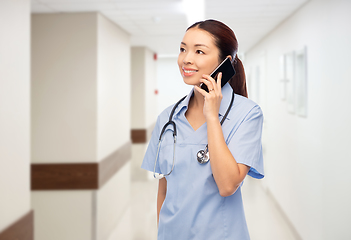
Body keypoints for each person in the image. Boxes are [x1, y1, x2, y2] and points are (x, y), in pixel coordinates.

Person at [141, 19, 264, 240]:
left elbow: (228, 185)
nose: (186, 59)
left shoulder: (247, 114)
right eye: (182, 49)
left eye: (199, 51)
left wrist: (212, 116)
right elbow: (164, 191)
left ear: (225, 62)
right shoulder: (168, 118)